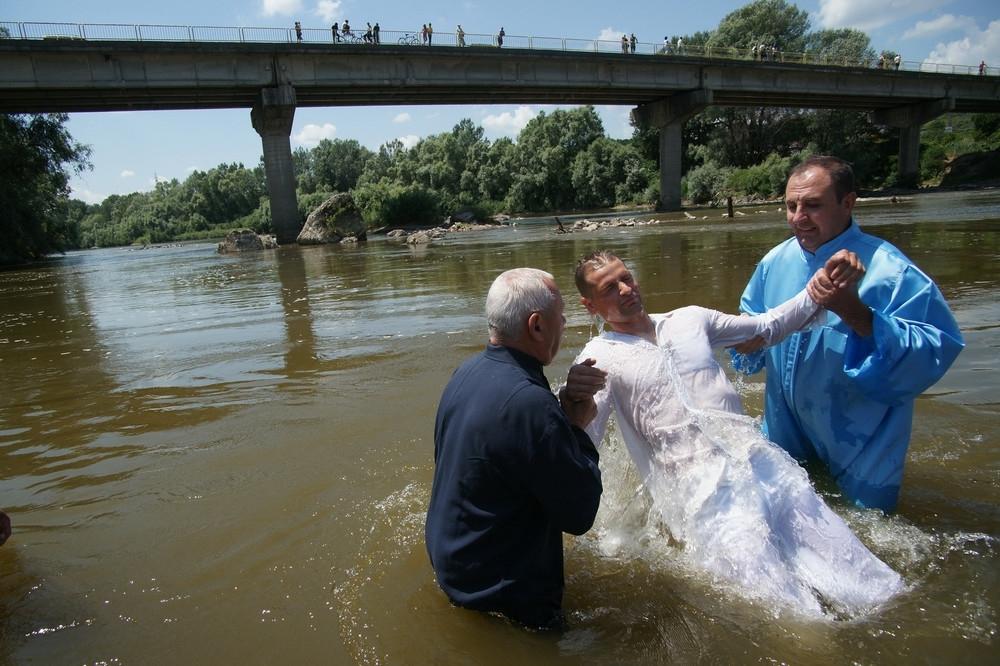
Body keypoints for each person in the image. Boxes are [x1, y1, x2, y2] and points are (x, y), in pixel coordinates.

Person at [566, 250, 904, 615]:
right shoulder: (597, 358)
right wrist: (570, 400)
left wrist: (817, 289)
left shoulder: (689, 319)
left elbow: (767, 326)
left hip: (762, 464)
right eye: (610, 288)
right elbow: (582, 442)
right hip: (703, 495)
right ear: (590, 305)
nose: (626, 289)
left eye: (626, 278)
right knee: (786, 611)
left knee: (873, 583)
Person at [734, 156, 964, 512]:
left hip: (863, 442)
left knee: (870, 538)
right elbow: (747, 332)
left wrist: (853, 311)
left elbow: (933, 352)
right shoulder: (774, 262)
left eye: (813, 206)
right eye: (791, 206)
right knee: (778, 519)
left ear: (848, 203)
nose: (798, 218)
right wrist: (744, 342)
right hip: (784, 430)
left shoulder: (892, 271)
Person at [426, 268, 603, 630]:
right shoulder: (530, 404)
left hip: (456, 568)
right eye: (561, 315)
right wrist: (576, 427)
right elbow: (581, 514)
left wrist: (561, 408)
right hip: (504, 599)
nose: (566, 322)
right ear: (536, 326)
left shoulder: (467, 372)